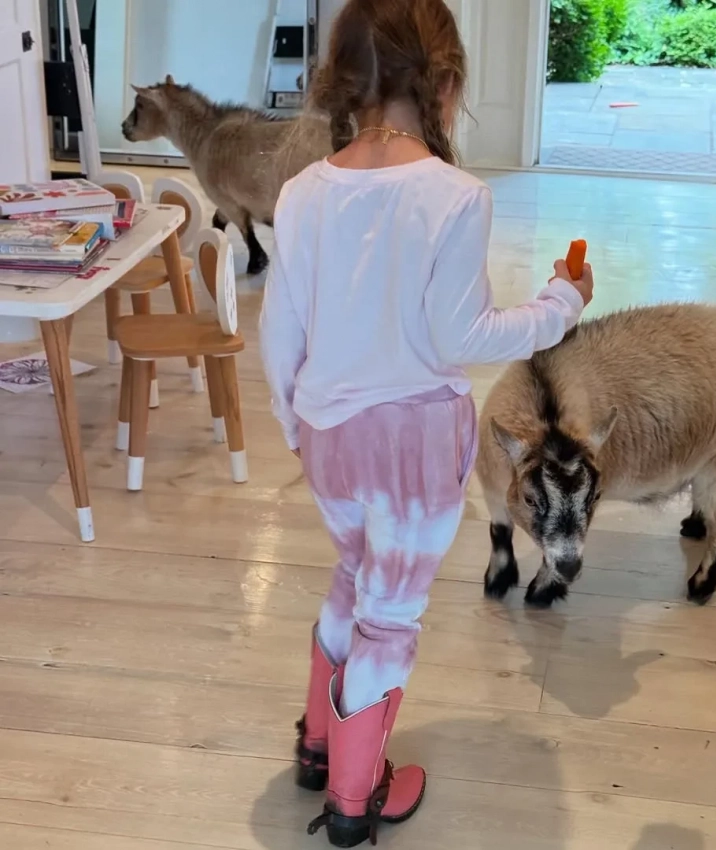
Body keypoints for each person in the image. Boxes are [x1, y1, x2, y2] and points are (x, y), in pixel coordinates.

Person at [258, 0, 594, 845]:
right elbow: (460, 337)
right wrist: (559, 304)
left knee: (352, 573)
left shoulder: (300, 192)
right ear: (445, 83)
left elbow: (279, 332)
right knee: (390, 614)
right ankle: (353, 798)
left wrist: (296, 425)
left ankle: (319, 744)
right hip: (412, 448)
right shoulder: (455, 196)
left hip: (328, 437)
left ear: (344, 78)